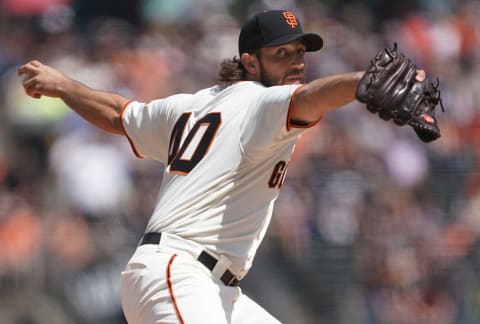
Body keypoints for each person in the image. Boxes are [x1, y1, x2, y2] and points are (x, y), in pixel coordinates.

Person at [18, 9, 423, 324]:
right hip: (179, 274)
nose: (296, 62)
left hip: (211, 288)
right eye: (282, 53)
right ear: (250, 62)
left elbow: (118, 114)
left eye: (300, 53)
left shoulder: (190, 105)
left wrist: (63, 84)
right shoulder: (259, 101)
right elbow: (310, 98)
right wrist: (361, 82)